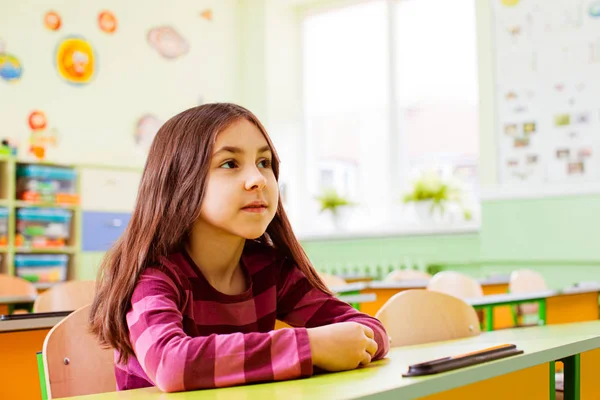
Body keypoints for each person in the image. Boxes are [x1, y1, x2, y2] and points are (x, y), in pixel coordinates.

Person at [89, 103, 389, 393]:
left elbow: (368, 330)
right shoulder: (154, 278)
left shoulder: (269, 271)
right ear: (178, 183)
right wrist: (311, 347)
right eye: (230, 163)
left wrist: (346, 342)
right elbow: (171, 364)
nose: (258, 179)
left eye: (264, 163)